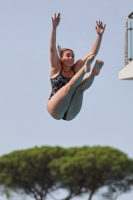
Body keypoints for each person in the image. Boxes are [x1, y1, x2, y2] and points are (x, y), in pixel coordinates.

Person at [46, 13, 106, 121]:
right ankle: (85, 70)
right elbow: (52, 48)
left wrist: (99, 36)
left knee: (80, 89)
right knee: (70, 86)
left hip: (70, 114)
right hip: (55, 109)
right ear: (61, 59)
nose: (71, 58)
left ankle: (93, 73)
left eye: (73, 56)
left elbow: (93, 53)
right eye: (68, 56)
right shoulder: (56, 67)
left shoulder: (75, 67)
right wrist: (54, 27)